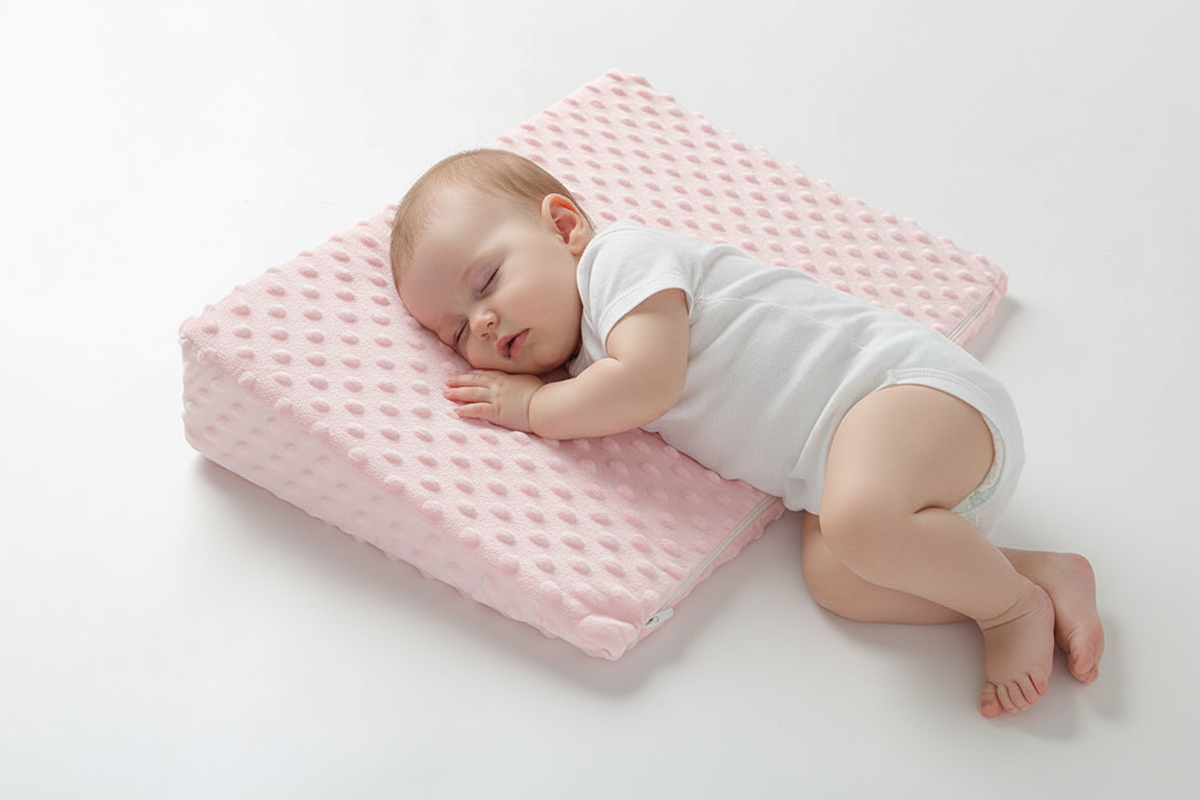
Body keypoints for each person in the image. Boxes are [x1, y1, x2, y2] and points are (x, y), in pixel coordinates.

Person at [390, 148, 1104, 717]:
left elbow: (648, 382)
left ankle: (1009, 609)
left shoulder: (622, 263)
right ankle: (1031, 571)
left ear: (566, 228)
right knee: (839, 581)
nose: (479, 321)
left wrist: (529, 410)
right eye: (456, 330)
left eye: (486, 281)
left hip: (906, 393)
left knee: (858, 521)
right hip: (847, 465)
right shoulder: (582, 361)